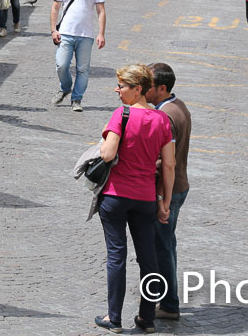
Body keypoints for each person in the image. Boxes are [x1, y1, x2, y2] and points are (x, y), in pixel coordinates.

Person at [94, 64, 175, 334]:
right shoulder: (162, 120)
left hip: (116, 195)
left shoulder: (121, 115)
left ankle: (113, 318)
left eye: (122, 86)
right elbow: (168, 166)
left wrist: (106, 132)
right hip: (145, 198)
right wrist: (164, 202)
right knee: (148, 259)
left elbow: (107, 154)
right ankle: (147, 318)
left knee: (116, 256)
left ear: (137, 89)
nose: (118, 91)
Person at [144, 63, 191, 322]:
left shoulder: (165, 116)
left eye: (147, 86)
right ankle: (169, 299)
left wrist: (163, 199)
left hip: (169, 190)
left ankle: (169, 303)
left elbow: (166, 164)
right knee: (167, 245)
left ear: (161, 88)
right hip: (178, 186)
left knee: (161, 247)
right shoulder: (178, 105)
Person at [50, 0, 106, 112]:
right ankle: (65, 88)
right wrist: (54, 29)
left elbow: (101, 11)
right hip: (65, 33)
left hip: (85, 35)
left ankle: (76, 99)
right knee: (61, 65)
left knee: (83, 69)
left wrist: (101, 34)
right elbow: (55, 8)